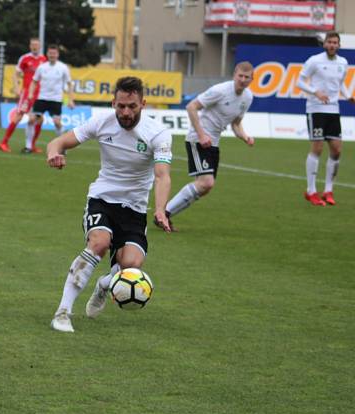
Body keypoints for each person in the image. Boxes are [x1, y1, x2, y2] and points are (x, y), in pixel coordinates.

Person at [46, 76, 173, 333]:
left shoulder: (158, 134)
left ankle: (105, 284)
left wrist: (160, 209)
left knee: (132, 266)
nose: (125, 112)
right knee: (99, 244)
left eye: (132, 107)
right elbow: (57, 142)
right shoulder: (101, 122)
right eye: (121, 106)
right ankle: (62, 312)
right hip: (102, 199)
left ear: (143, 104)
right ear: (113, 102)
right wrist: (54, 154)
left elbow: (162, 175)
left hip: (135, 209)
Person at [159, 61, 255, 229]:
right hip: (198, 139)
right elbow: (191, 107)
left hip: (213, 143)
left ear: (251, 80)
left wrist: (245, 136)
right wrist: (202, 135)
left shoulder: (247, 98)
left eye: (247, 77)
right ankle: (164, 214)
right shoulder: (220, 90)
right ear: (234, 75)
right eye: (240, 76)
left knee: (205, 187)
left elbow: (236, 124)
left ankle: (164, 214)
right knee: (206, 182)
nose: (242, 79)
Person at [297, 31, 355, 206]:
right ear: (324, 44)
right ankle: (311, 191)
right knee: (318, 147)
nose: (332, 45)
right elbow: (299, 82)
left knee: (337, 150)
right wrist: (316, 92)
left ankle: (328, 190)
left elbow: (341, 84)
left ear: (339, 45)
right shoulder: (314, 60)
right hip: (316, 109)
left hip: (333, 110)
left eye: (335, 42)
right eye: (329, 42)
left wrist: (348, 96)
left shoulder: (343, 63)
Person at [0, 37, 47, 153]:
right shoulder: (25, 58)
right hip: (27, 93)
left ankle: (32, 145)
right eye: (33, 45)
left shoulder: (44, 59)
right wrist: (16, 88)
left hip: (40, 94)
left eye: (37, 45)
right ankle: (4, 142)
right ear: (30, 46)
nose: (35, 47)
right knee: (19, 116)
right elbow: (16, 74)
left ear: (40, 46)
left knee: (39, 119)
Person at [26, 44, 75, 154]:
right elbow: (34, 81)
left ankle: (63, 146)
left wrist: (71, 100)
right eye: (50, 53)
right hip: (42, 98)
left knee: (57, 123)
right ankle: (28, 146)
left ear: (58, 54)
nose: (52, 55)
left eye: (54, 53)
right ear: (47, 54)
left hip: (56, 100)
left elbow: (69, 84)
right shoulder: (42, 67)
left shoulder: (63, 68)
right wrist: (30, 94)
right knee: (31, 120)